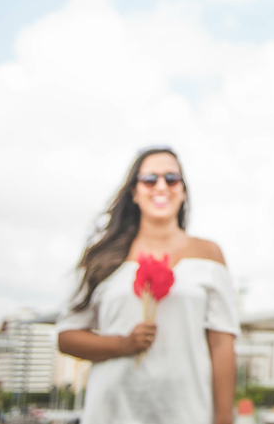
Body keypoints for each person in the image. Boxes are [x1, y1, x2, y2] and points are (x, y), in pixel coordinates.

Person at [58, 148, 238, 424]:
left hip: (187, 414)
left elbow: (222, 345)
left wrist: (224, 419)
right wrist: (122, 344)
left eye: (172, 178)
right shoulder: (102, 257)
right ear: (134, 191)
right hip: (112, 413)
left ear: (183, 191)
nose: (162, 186)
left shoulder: (209, 253)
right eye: (150, 179)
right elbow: (66, 336)